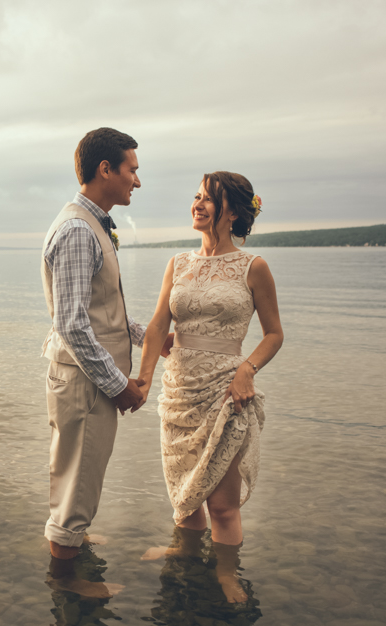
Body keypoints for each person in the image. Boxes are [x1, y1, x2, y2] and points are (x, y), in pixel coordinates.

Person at [136, 171, 283, 602]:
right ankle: (184, 555)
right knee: (185, 500)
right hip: (179, 390)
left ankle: (225, 573)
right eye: (196, 197)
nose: (197, 205)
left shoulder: (254, 267)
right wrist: (143, 381)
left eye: (208, 200)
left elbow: (274, 333)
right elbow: (159, 324)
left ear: (232, 212)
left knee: (221, 505)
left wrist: (248, 370)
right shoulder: (178, 263)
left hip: (225, 391)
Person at [40, 127, 171, 564]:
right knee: (77, 480)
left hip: (85, 380)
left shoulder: (91, 224)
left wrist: (148, 337)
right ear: (105, 169)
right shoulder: (79, 231)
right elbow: (74, 326)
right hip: (86, 383)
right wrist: (119, 386)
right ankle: (68, 577)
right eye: (132, 169)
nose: (137, 180)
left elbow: (99, 308)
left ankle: (71, 540)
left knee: (79, 475)